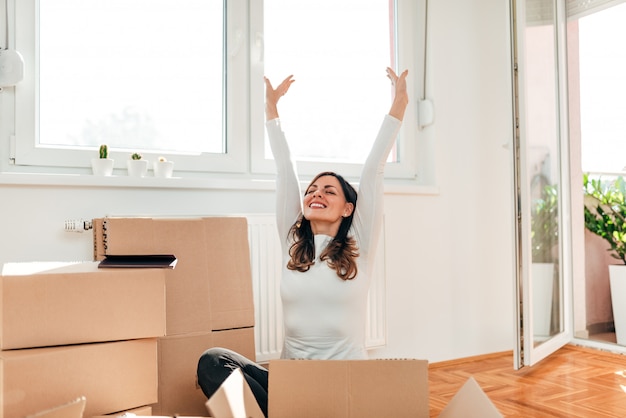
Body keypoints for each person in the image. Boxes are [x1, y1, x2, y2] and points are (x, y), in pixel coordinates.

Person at [197, 67, 409, 417]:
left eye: (329, 191)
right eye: (312, 189)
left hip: (344, 387)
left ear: (348, 208)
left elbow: (374, 169)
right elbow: (284, 170)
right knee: (212, 361)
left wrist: (399, 103)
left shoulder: (360, 241)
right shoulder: (293, 242)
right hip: (293, 388)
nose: (316, 193)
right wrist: (271, 110)